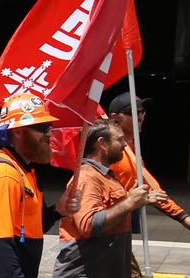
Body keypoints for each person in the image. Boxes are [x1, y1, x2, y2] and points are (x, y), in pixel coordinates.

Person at [0, 93, 80, 278]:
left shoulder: (26, 172)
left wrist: (57, 211)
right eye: (41, 127)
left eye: (49, 127)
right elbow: (1, 248)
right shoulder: (3, 175)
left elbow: (28, 230)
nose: (49, 134)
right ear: (18, 132)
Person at [53, 119, 168, 277]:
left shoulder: (105, 176)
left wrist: (136, 200)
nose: (125, 145)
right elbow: (89, 224)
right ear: (102, 144)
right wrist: (130, 202)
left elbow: (107, 208)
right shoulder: (86, 178)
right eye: (119, 140)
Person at [108, 92, 190, 276]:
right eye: (133, 112)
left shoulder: (131, 147)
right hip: (102, 237)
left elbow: (151, 188)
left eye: (142, 112)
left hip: (119, 233)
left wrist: (184, 218)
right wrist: (136, 199)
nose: (140, 116)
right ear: (115, 119)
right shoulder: (105, 150)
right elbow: (98, 197)